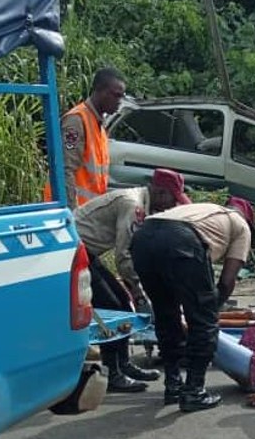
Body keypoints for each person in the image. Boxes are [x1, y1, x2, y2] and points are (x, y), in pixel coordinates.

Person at [131, 198, 255, 412]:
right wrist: (206, 314)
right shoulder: (241, 226)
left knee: (165, 315)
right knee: (204, 323)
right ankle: (194, 391)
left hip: (143, 238)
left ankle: (173, 385)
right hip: (181, 240)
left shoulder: (201, 210)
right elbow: (226, 282)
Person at [74, 168, 191, 392]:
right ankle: (113, 373)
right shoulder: (133, 205)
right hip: (75, 252)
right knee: (113, 307)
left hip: (88, 251)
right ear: (158, 192)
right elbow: (123, 255)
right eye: (170, 199)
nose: (171, 207)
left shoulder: (141, 202)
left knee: (122, 304)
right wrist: (138, 290)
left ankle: (123, 364)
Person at [44, 67, 126, 208]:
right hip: (69, 210)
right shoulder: (77, 120)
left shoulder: (98, 124)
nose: (120, 101)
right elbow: (65, 170)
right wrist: (70, 213)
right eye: (116, 95)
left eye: (122, 96)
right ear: (99, 90)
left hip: (87, 212)